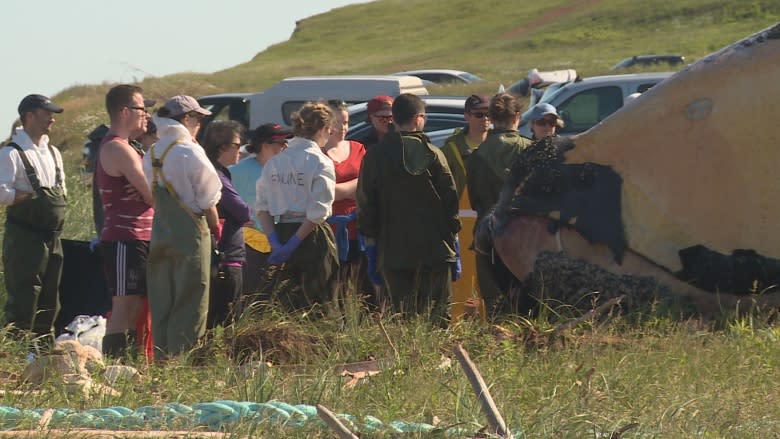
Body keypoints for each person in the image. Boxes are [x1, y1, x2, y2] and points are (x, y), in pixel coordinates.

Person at [356, 93, 460, 326]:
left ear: (393, 118)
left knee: (401, 319)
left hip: (393, 252)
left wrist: (372, 246)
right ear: (418, 118)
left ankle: (404, 362)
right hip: (435, 252)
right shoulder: (435, 155)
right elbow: (450, 202)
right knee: (437, 319)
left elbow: (365, 204)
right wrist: (453, 241)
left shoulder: (374, 157)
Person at [142, 95, 222, 357]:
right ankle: (184, 359)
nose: (199, 124)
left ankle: (163, 359)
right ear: (186, 119)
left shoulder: (152, 152)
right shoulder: (189, 150)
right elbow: (209, 197)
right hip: (191, 231)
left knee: (163, 296)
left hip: (161, 230)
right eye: (197, 118)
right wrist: (214, 227)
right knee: (191, 297)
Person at [255, 102, 339, 311]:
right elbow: (318, 211)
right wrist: (294, 243)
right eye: (329, 130)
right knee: (319, 303)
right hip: (311, 236)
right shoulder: (320, 161)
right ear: (322, 129)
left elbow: (262, 207)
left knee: (287, 303)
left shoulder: (276, 161)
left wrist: (275, 241)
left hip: (281, 229)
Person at [0, 94, 67, 337]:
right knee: (24, 295)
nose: (52, 119)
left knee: (51, 296)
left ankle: (42, 350)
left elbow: (63, 190)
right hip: (24, 237)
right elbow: (1, 192)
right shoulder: (11, 152)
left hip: (53, 237)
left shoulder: (53, 152)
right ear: (29, 116)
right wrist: (27, 197)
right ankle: (18, 351)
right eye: (46, 113)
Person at [96, 84, 156, 357]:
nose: (146, 114)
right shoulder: (117, 148)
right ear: (124, 111)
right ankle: (115, 367)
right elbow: (153, 194)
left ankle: (130, 364)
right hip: (125, 236)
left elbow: (150, 189)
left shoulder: (132, 147)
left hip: (141, 236)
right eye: (141, 108)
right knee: (124, 305)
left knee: (136, 305)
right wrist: (151, 188)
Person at [467, 93, 532, 318]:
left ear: (492, 118)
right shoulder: (532, 151)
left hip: (488, 236)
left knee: (495, 308)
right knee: (528, 307)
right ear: (517, 117)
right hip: (528, 238)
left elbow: (476, 200)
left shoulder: (477, 156)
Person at [441, 95, 491, 320]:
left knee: (488, 283)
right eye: (479, 114)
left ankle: (490, 332)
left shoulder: (497, 145)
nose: (485, 119)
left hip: (491, 222)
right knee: (461, 282)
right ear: (467, 116)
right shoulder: (451, 149)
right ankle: (455, 332)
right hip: (462, 223)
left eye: (489, 114)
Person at [229, 123, 291, 297]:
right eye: (280, 143)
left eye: (286, 143)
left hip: (281, 241)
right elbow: (220, 201)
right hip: (249, 244)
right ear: (265, 146)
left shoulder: (287, 170)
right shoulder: (237, 171)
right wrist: (237, 220)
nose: (285, 147)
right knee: (250, 296)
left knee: (275, 297)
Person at [201, 120, 252, 327]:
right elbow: (242, 211)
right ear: (223, 147)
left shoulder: (217, 171)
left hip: (221, 256)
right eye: (237, 146)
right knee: (228, 321)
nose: (241, 150)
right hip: (226, 258)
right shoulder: (217, 175)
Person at [322, 101, 370, 295]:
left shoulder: (358, 148)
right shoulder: (317, 152)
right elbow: (323, 193)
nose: (343, 128)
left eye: (346, 122)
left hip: (358, 228)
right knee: (334, 287)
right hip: (329, 229)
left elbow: (369, 184)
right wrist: (354, 186)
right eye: (337, 122)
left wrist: (338, 190)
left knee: (361, 287)